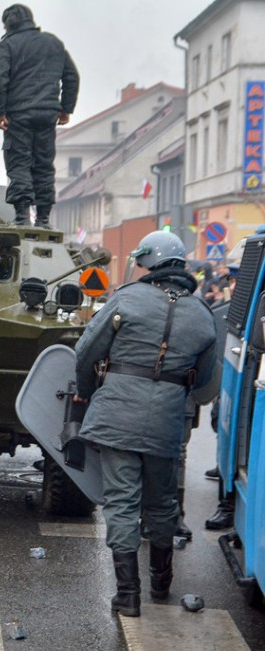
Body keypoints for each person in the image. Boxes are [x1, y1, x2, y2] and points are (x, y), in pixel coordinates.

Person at [74, 231, 215, 618]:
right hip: (166, 423)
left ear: (148, 263)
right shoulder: (202, 314)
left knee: (121, 503)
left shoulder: (126, 299)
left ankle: (128, 595)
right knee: (163, 503)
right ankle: (161, 582)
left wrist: (85, 392)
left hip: (116, 416)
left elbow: (86, 352)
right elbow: (205, 380)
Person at [0, 4, 79, 228]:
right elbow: (72, 76)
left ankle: (22, 216)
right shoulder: (53, 43)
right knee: (43, 165)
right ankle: (43, 218)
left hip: (18, 115)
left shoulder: (8, 45)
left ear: (7, 25)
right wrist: (65, 108)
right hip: (47, 114)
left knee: (19, 162)